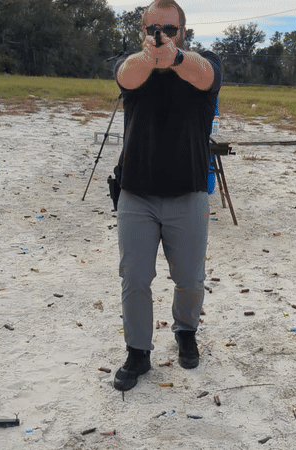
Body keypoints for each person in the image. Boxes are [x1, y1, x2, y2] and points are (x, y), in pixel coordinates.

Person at [111, 0, 222, 391]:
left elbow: (206, 75)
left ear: (183, 32)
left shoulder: (201, 64)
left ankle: (185, 331)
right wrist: (153, 56)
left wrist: (174, 57)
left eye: (169, 29)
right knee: (135, 278)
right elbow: (127, 76)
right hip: (136, 193)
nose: (160, 35)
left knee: (189, 279)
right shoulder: (135, 65)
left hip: (187, 193)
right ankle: (138, 351)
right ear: (141, 32)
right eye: (152, 28)